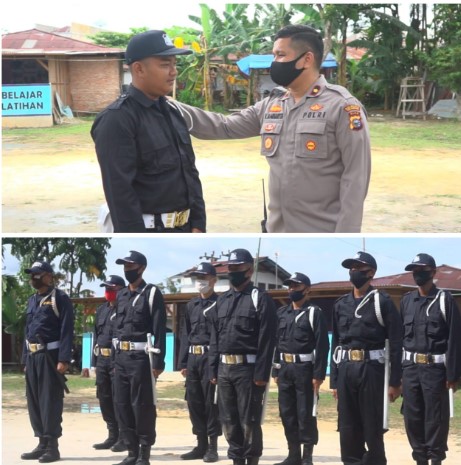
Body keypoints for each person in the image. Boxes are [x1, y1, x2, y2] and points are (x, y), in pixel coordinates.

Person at [175, 24, 371, 233]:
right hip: (277, 230)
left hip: (321, 231)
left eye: (280, 55)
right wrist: (170, 106)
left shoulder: (342, 106)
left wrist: (345, 236)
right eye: (274, 55)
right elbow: (224, 126)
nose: (274, 62)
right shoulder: (273, 104)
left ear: (307, 59)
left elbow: (355, 178)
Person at [91, 30, 206, 233]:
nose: (173, 71)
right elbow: (120, 194)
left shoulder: (172, 112)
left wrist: (198, 223)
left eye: (174, 64)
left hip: (185, 228)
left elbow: (189, 172)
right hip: (149, 231)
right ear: (139, 69)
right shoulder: (117, 119)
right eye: (164, 64)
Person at [330, 251, 402, 465]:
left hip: (372, 370)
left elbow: (396, 343)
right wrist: (334, 380)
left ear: (371, 272)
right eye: (351, 268)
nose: (354, 272)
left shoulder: (382, 302)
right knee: (347, 426)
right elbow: (336, 344)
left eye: (358, 268)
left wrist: (395, 381)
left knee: (372, 427)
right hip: (345, 369)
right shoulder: (340, 304)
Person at [208, 248, 277, 465]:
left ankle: (252, 460)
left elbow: (268, 340)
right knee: (228, 420)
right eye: (231, 268)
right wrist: (213, 369)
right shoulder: (222, 300)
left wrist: (262, 374)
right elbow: (214, 339)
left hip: (248, 370)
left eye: (238, 268)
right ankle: (236, 459)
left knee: (249, 420)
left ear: (249, 270)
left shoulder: (260, 299)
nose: (233, 272)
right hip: (224, 370)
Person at [400, 253, 461, 465]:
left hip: (435, 371)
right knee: (412, 417)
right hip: (410, 370)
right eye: (415, 270)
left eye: (422, 269)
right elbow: (400, 339)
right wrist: (398, 376)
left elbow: (455, 339)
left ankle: (435, 460)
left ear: (433, 272)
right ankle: (420, 459)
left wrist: (453, 374)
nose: (418, 273)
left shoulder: (445, 300)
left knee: (435, 419)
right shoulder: (407, 301)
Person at [113, 250, 167, 465]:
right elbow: (117, 327)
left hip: (141, 358)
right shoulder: (122, 295)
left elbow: (159, 329)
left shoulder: (151, 293)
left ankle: (144, 454)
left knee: (142, 405)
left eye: (131, 266)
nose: (127, 270)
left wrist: (159, 363)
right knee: (122, 404)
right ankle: (131, 452)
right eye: (124, 266)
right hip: (122, 357)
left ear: (141, 268)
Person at [272, 272, 330, 465]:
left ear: (307, 289)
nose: (291, 290)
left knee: (305, 413)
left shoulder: (314, 313)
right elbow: (276, 344)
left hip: (305, 368)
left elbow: (323, 346)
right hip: (285, 368)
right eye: (289, 286)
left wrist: (318, 375)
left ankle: (307, 457)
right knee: (287, 412)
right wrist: (275, 370)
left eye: (296, 286)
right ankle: (293, 454)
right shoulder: (282, 313)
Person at [21, 261, 74, 463]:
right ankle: (41, 442)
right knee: (34, 401)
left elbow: (67, 329)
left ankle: (53, 447)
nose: (33, 278)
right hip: (33, 358)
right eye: (31, 274)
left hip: (50, 357)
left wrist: (64, 358)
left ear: (49, 276)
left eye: (37, 274)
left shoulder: (59, 298)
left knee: (49, 401)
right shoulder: (32, 300)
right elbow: (28, 331)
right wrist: (26, 358)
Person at [178, 262, 222, 462]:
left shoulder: (220, 304)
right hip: (193, 359)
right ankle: (200, 445)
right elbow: (185, 333)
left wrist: (215, 364)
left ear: (214, 279)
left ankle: (213, 447)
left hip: (210, 358)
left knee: (210, 403)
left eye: (204, 278)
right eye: (198, 278)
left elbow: (220, 336)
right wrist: (184, 362)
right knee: (194, 402)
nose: (200, 282)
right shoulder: (191, 305)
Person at [92, 274, 127, 452]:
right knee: (104, 398)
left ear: (121, 290)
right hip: (102, 360)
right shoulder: (101, 310)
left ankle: (123, 436)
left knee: (118, 399)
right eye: (106, 289)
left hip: (117, 360)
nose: (108, 292)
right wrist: (93, 363)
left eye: (111, 289)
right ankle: (112, 435)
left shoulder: (125, 310)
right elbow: (95, 336)